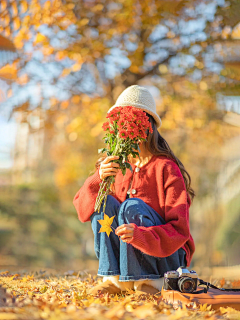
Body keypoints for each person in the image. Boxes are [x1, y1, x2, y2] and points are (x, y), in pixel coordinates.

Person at [73, 85, 195, 295]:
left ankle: (148, 282)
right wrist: (99, 178)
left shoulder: (166, 168)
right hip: (123, 258)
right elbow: (82, 211)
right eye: (119, 122)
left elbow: (179, 231)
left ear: (147, 126)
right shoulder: (114, 165)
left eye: (130, 121)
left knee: (131, 206)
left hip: (166, 258)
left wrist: (141, 235)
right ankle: (113, 279)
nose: (123, 128)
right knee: (103, 203)